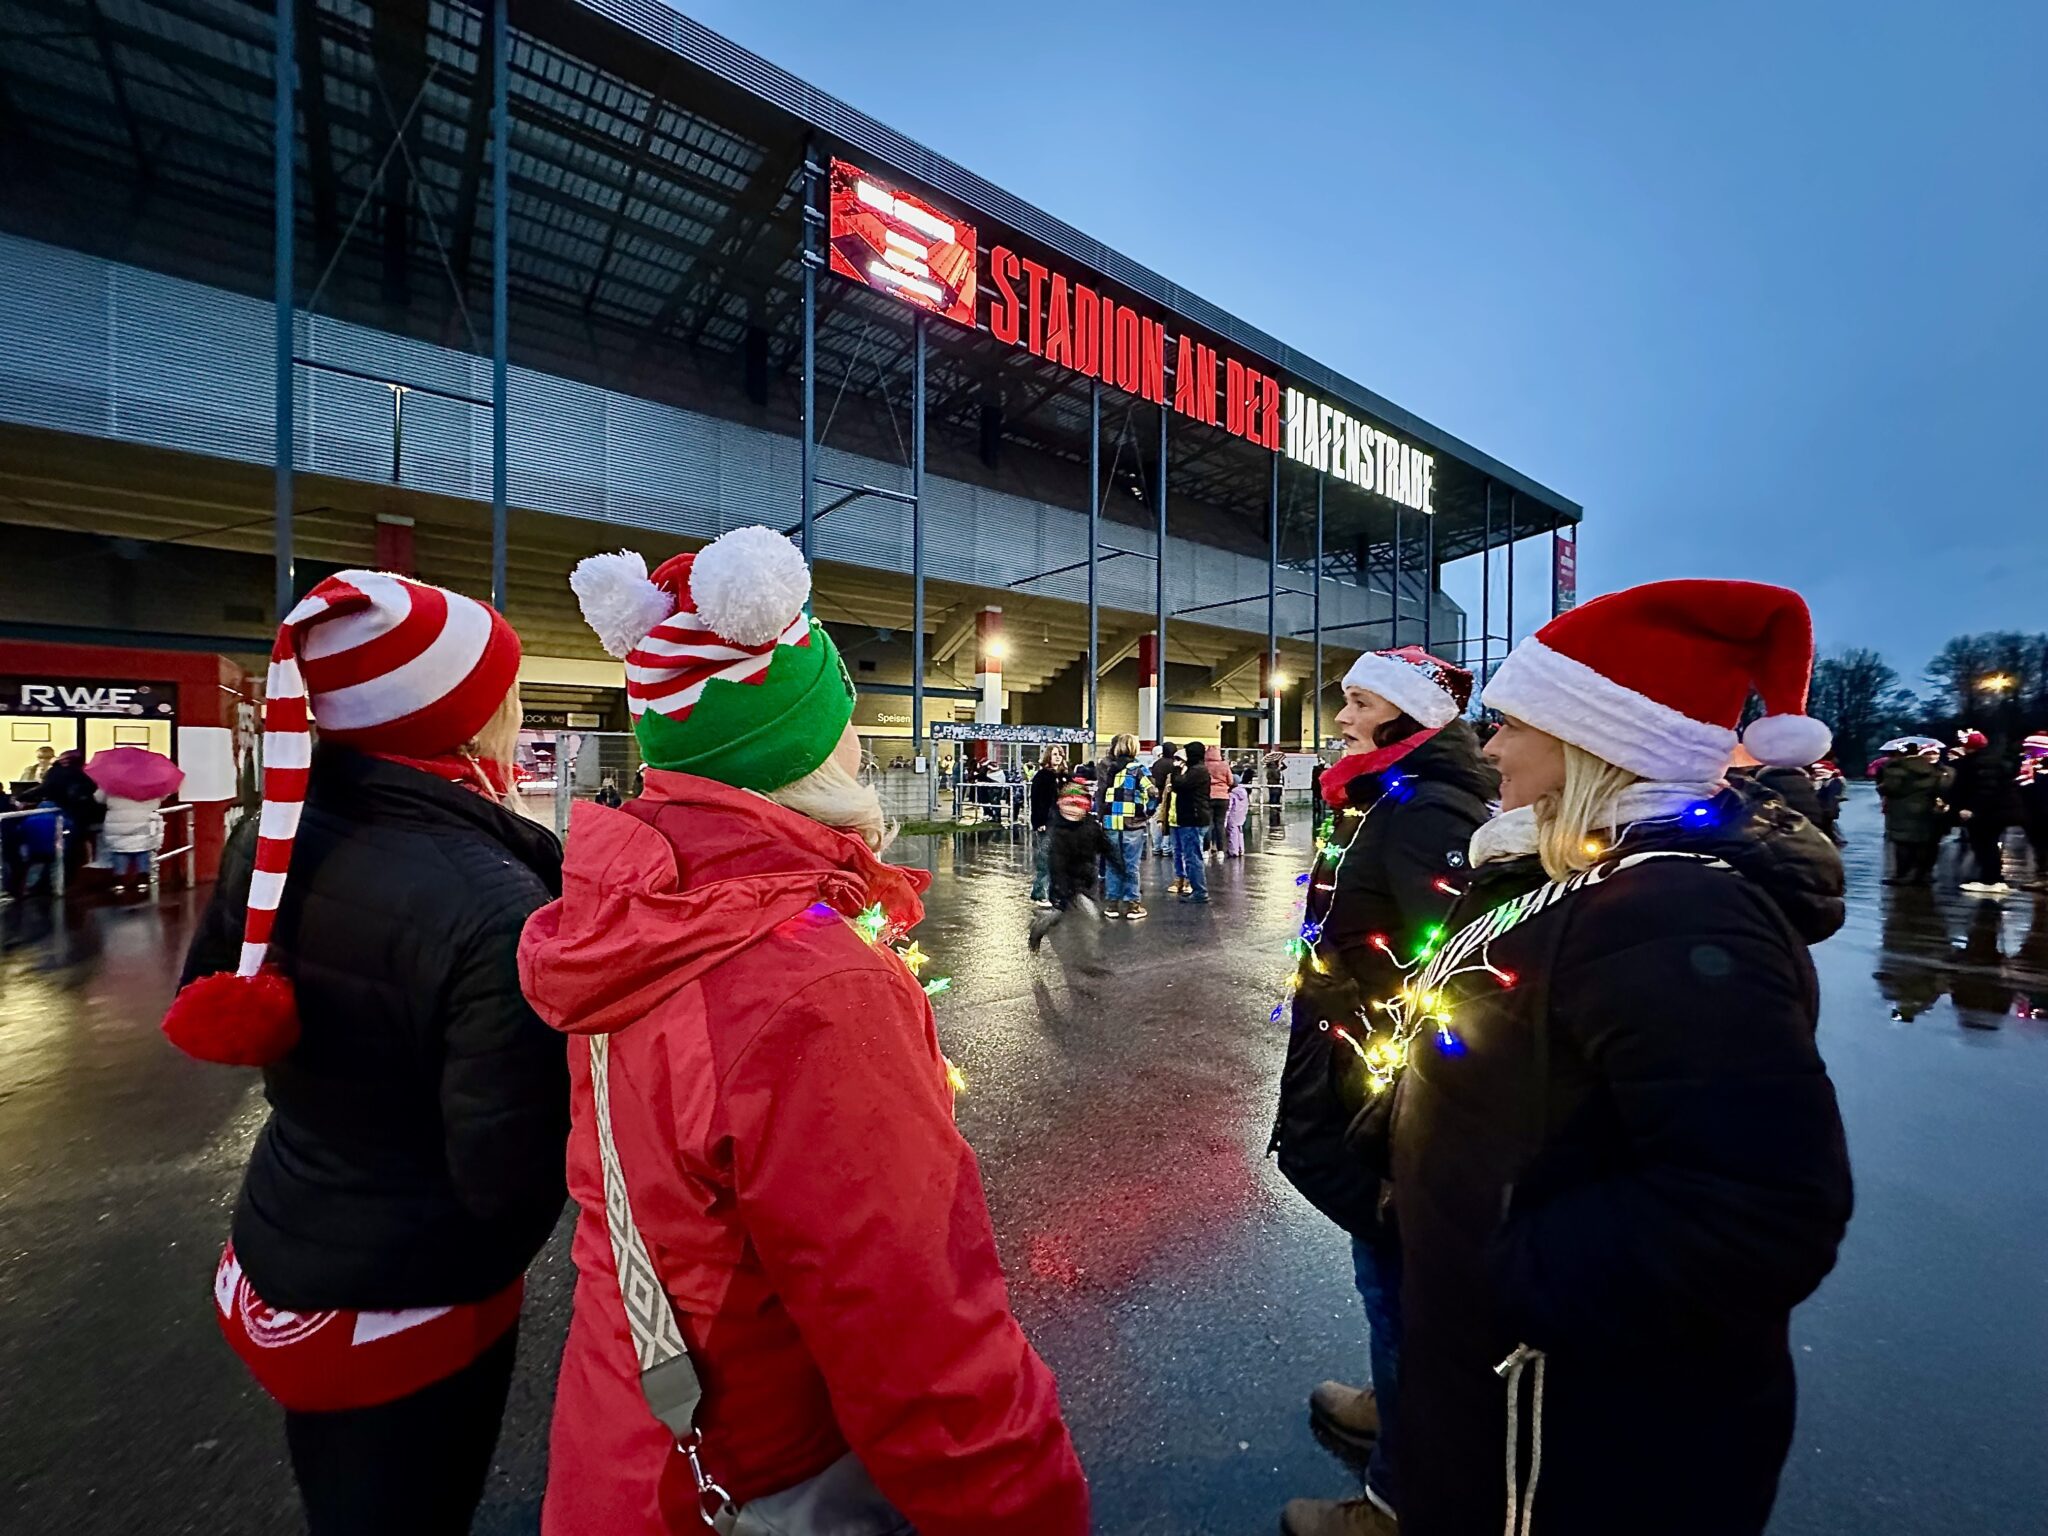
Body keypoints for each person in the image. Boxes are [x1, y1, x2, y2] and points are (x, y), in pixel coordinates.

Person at [527, 530, 1089, 1536]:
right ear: (804, 744)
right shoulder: (808, 981)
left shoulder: (634, 910)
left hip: (630, 1442)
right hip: (764, 1472)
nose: (859, 743)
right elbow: (915, 1337)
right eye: (844, 719)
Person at [1388, 580, 1853, 1536]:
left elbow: (1761, 1209)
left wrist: (1511, 1273)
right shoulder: (1595, 883)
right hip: (1518, 1402)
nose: (1490, 746)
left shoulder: (1674, 916)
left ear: (1594, 742)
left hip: (1577, 1432)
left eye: (1511, 723)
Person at [161, 572, 567, 1536]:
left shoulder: (279, 829)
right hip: (409, 1292)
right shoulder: (494, 904)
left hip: (287, 1233)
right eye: (505, 699)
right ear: (457, 724)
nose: (516, 719)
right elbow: (503, 1174)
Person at [1275, 649, 1494, 1536]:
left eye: (1357, 704)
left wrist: (1398, 1068)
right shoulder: (1386, 799)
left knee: (1399, 1276)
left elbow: (1460, 960)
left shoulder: (1423, 807)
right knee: (1387, 1269)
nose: (1340, 719)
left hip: (1394, 1085)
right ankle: (1393, 1404)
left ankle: (1402, 1498)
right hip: (1367, 1065)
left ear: (1408, 719)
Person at [1030, 781, 1118, 986]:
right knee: (1088, 917)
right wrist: (1061, 888)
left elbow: (1106, 847)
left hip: (1085, 880)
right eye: (1067, 805)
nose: (1072, 810)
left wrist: (1119, 865)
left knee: (1079, 917)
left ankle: (1088, 954)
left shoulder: (1091, 827)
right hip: (1065, 885)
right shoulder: (1058, 832)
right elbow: (1054, 863)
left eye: (1077, 806)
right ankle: (1089, 957)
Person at [1950, 728, 2019, 894]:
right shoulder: (1994, 760)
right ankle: (1993, 878)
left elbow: (1984, 789)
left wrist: (1971, 808)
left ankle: (1990, 880)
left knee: (1984, 845)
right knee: (1989, 845)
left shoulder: (1976, 763)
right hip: (1998, 811)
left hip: (1986, 813)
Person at [1095, 732, 1155, 920]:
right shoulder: (1139, 769)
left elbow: (1102, 795)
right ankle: (1132, 905)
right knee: (1131, 865)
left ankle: (1112, 904)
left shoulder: (1110, 769)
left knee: (1113, 864)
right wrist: (1148, 813)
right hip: (1132, 824)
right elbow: (1153, 792)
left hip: (1111, 822)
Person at [1878, 745, 1947, 885]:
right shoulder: (1931, 769)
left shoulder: (1897, 768)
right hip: (1924, 809)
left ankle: (1902, 875)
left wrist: (1881, 787)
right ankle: (1921, 874)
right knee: (1922, 843)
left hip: (1902, 810)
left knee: (1903, 843)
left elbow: (1891, 788)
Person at [97, 782, 169, 896]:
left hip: (118, 822)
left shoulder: (112, 781)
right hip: (143, 819)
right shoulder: (149, 781)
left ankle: (119, 881)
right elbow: (161, 797)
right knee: (143, 847)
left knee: (119, 849)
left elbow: (98, 798)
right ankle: (142, 879)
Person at [1172, 743, 1214, 903]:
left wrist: (1176, 770)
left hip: (1192, 819)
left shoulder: (1197, 771)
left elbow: (1179, 785)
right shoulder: (1199, 769)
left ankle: (1200, 892)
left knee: (1192, 857)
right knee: (1192, 856)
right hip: (1196, 817)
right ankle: (1198, 890)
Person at [1029, 746, 1070, 907]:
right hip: (1047, 821)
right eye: (1054, 754)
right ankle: (1040, 894)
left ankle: (1055, 893)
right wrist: (1039, 822)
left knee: (1059, 860)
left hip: (1062, 822)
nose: (1058, 757)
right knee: (1045, 859)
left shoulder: (1064, 776)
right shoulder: (1042, 776)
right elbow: (1037, 800)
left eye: (1060, 754)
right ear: (1048, 757)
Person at [1205, 740, 1234, 853]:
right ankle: (1220, 849)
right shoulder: (1224, 765)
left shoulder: (1204, 765)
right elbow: (1231, 781)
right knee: (1220, 824)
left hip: (1208, 796)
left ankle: (1206, 849)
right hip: (1223, 797)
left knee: (1208, 823)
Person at [1225, 776, 1250, 856]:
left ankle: (1233, 851)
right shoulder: (1244, 793)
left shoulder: (1232, 794)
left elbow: (1229, 806)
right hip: (1241, 815)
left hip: (1233, 815)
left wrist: (1226, 816)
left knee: (1232, 832)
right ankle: (1241, 849)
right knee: (1240, 832)